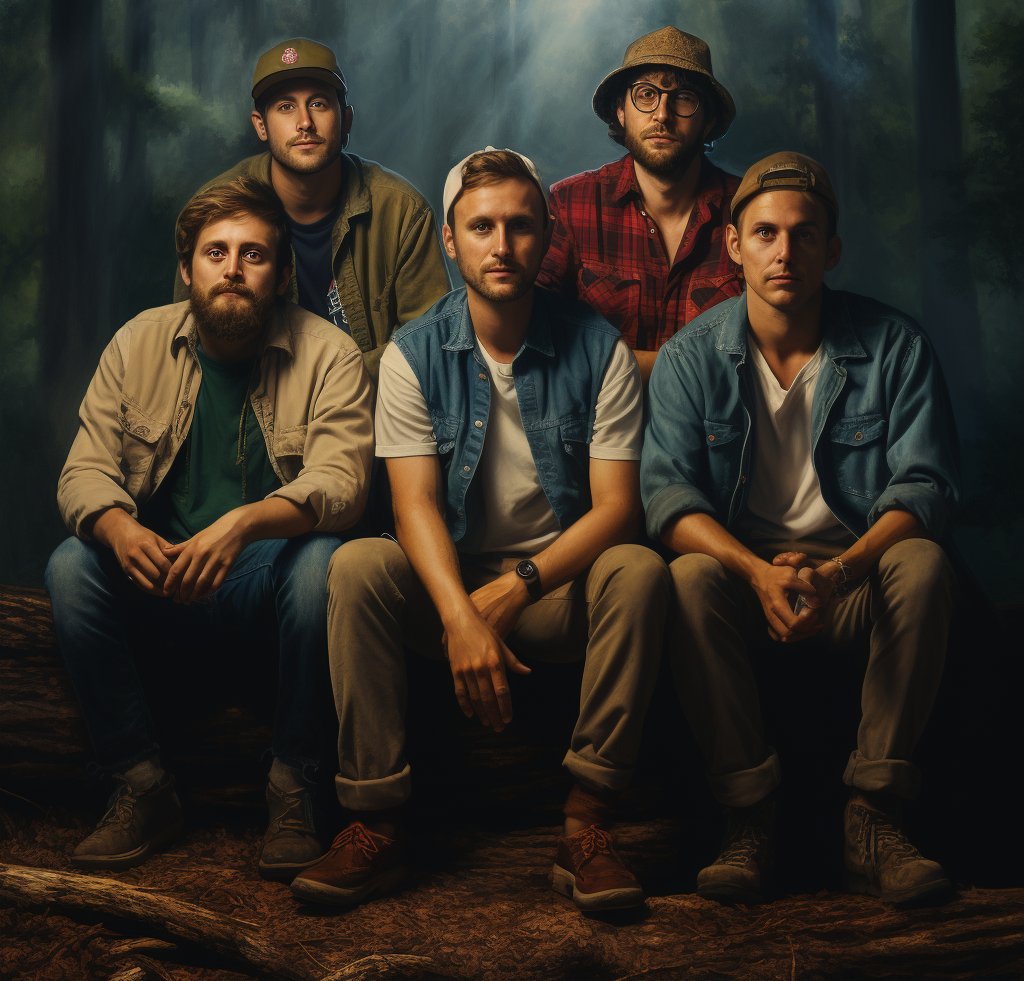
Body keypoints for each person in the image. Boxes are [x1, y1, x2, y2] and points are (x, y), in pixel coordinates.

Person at [289, 147, 670, 910]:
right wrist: (463, 613)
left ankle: (587, 824)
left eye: (522, 226)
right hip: (448, 591)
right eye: (483, 226)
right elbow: (414, 507)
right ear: (449, 240)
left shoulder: (599, 350)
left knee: (641, 570)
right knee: (358, 564)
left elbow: (617, 509)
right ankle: (375, 823)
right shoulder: (411, 353)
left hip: (555, 591)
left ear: (548, 236)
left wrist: (516, 590)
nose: (503, 245)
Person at [641, 153, 960, 905]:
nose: (785, 253)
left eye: (805, 235)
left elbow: (928, 489)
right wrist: (759, 573)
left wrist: (837, 573)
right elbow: (666, 498)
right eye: (766, 234)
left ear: (832, 249)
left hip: (851, 574)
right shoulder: (692, 357)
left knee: (924, 563)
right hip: (746, 578)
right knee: (684, 575)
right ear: (734, 245)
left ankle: (874, 814)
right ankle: (748, 817)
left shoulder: (894, 346)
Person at [46, 178, 375, 879]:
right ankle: (138, 783)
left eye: (253, 255)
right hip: (159, 574)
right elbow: (82, 473)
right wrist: (119, 529)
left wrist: (246, 525)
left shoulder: (329, 354)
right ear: (189, 268)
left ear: (282, 275)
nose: (232, 269)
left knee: (325, 560)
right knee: (70, 565)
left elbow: (343, 484)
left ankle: (295, 788)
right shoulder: (136, 342)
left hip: (267, 581)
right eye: (216, 253)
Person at [173, 38, 450, 380]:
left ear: (345, 120)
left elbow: (431, 340)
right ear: (261, 125)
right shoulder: (215, 210)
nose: (304, 122)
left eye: (318, 104)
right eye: (286, 107)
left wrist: (329, 382)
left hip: (370, 418)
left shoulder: (401, 212)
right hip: (254, 415)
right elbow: (190, 341)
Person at [538, 27, 743, 383]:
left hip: (712, 433)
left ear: (708, 120)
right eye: (646, 95)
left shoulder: (747, 212)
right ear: (621, 111)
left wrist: (616, 365)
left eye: (683, 98)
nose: (662, 114)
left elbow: (771, 349)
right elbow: (534, 336)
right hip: (594, 430)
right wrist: (686, 370)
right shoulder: (570, 205)